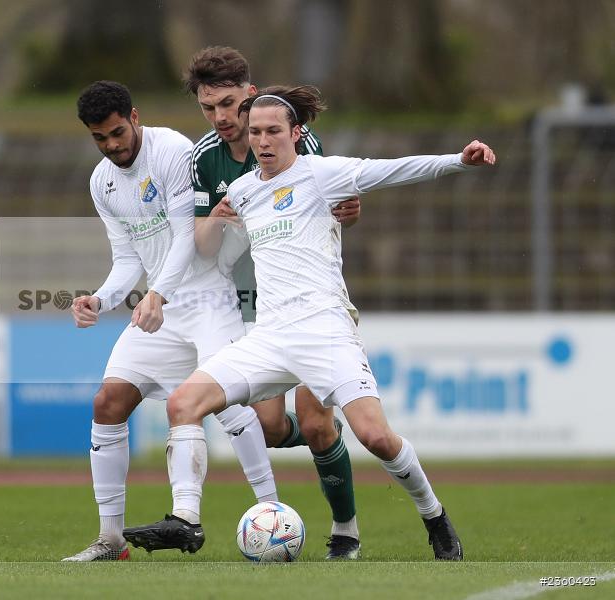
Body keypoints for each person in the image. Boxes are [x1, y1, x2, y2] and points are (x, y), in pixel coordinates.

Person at [123, 85, 497, 561]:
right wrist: (174, 276)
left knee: (376, 437)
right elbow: (217, 255)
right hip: (269, 336)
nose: (263, 141)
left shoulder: (323, 174)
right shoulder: (242, 190)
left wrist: (459, 161)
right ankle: (186, 520)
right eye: (255, 132)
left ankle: (434, 516)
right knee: (183, 403)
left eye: (273, 131)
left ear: (296, 133)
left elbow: (394, 170)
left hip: (325, 331)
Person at [62, 80, 279, 561]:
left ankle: (274, 514)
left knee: (229, 406)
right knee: (107, 403)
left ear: (134, 117)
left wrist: (157, 293)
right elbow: (128, 258)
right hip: (161, 309)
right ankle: (111, 540)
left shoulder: (173, 152)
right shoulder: (102, 182)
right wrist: (99, 299)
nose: (112, 145)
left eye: (117, 132)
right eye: (100, 138)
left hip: (210, 298)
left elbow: (186, 236)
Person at [179, 46, 363, 559]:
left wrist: (349, 214)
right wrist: (218, 218)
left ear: (251, 95)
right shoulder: (204, 158)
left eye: (229, 104)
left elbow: (333, 212)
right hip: (251, 305)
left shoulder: (300, 140)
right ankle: (323, 438)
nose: (221, 117)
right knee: (268, 426)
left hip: (308, 300)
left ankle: (346, 531)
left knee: (316, 421)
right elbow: (202, 247)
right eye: (208, 107)